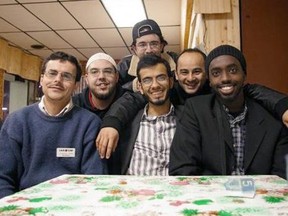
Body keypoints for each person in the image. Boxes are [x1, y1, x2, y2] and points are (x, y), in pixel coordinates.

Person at [96, 48, 288, 159]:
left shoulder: (215, 90)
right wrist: (111, 123)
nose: (190, 78)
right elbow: (132, 98)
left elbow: (249, 89)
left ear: (206, 74)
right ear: (176, 75)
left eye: (197, 71)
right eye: (184, 72)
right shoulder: (168, 90)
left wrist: (283, 106)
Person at [169, 45, 288, 179]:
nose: (225, 78)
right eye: (216, 73)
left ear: (244, 74)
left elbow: (282, 178)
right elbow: (182, 168)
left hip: (261, 195)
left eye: (232, 70)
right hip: (210, 196)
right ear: (210, 79)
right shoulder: (195, 110)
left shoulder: (272, 114)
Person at [0, 51, 107, 198]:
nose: (58, 80)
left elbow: (95, 179)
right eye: (52, 73)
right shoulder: (16, 121)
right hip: (25, 206)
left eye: (66, 76)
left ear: (76, 85)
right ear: (41, 79)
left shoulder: (90, 123)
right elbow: (3, 179)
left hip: (74, 205)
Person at [111, 54, 181, 175]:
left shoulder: (187, 119)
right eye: (147, 80)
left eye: (161, 78)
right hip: (134, 191)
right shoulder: (128, 122)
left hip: (175, 191)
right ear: (140, 87)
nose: (155, 85)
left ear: (170, 82)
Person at [118, 19, 177, 91]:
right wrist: (135, 85)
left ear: (161, 46)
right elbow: (115, 92)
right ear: (134, 49)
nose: (149, 50)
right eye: (142, 45)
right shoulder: (125, 65)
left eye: (154, 44)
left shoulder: (175, 60)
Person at [73, 52, 125, 119]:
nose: (101, 77)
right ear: (87, 79)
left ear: (116, 77)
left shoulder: (129, 101)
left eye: (108, 71)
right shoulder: (74, 105)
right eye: (94, 72)